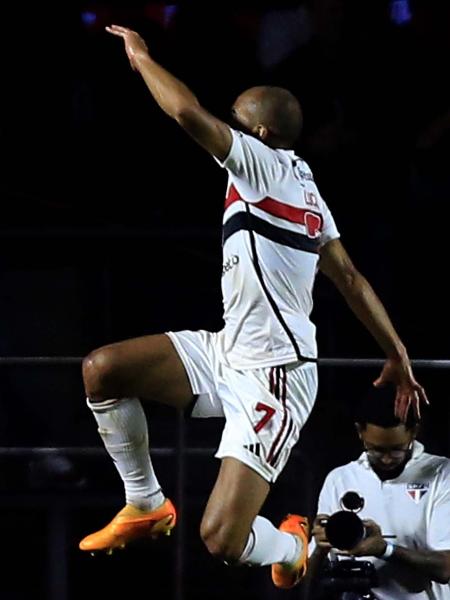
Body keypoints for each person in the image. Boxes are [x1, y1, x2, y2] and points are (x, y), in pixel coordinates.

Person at [78, 24, 428, 590]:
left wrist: (141, 58)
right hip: (227, 350)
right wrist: (399, 351)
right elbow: (350, 278)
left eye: (235, 120)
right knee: (104, 370)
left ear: (260, 133)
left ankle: (289, 545)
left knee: (220, 539)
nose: (226, 127)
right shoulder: (305, 185)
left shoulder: (261, 164)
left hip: (276, 377)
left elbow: (187, 114)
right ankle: (145, 502)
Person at [307, 386, 450, 599]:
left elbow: (445, 567)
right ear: (359, 432)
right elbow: (307, 576)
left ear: (414, 431)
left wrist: (384, 549)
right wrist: (320, 547)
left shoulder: (441, 473)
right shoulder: (340, 478)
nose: (386, 458)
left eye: (396, 449)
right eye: (375, 449)